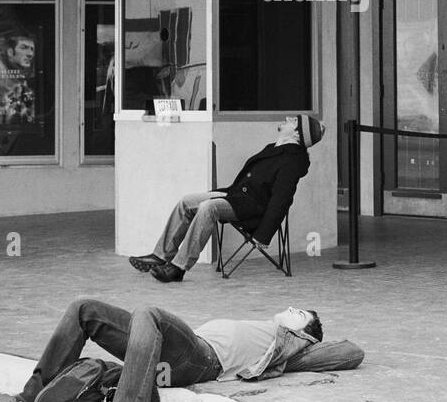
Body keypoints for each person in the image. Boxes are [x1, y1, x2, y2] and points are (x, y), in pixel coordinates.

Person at [0, 299, 362, 402]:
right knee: (84, 309)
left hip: (200, 360)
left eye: (300, 313)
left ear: (303, 332)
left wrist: (305, 343)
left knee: (149, 312)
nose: (291, 308)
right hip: (170, 354)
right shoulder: (265, 326)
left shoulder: (288, 346)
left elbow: (350, 352)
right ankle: (32, 397)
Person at [130, 114, 324, 283]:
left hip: (252, 207)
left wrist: (263, 235)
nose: (288, 119)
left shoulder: (292, 161)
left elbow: (281, 200)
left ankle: (178, 268)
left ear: (297, 133)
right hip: (236, 195)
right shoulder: (274, 147)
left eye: (294, 120)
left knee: (208, 208)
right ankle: (161, 255)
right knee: (186, 202)